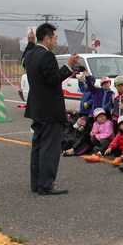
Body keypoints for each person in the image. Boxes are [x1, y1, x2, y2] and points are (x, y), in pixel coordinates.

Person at [22, 22, 79, 195]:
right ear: (46, 38)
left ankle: (37, 183)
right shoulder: (47, 56)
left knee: (38, 147)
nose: (56, 42)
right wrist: (68, 65)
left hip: (37, 109)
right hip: (50, 110)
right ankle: (46, 184)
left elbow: (24, 60)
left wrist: (31, 42)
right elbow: (54, 79)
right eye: (55, 38)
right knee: (49, 149)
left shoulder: (31, 54)